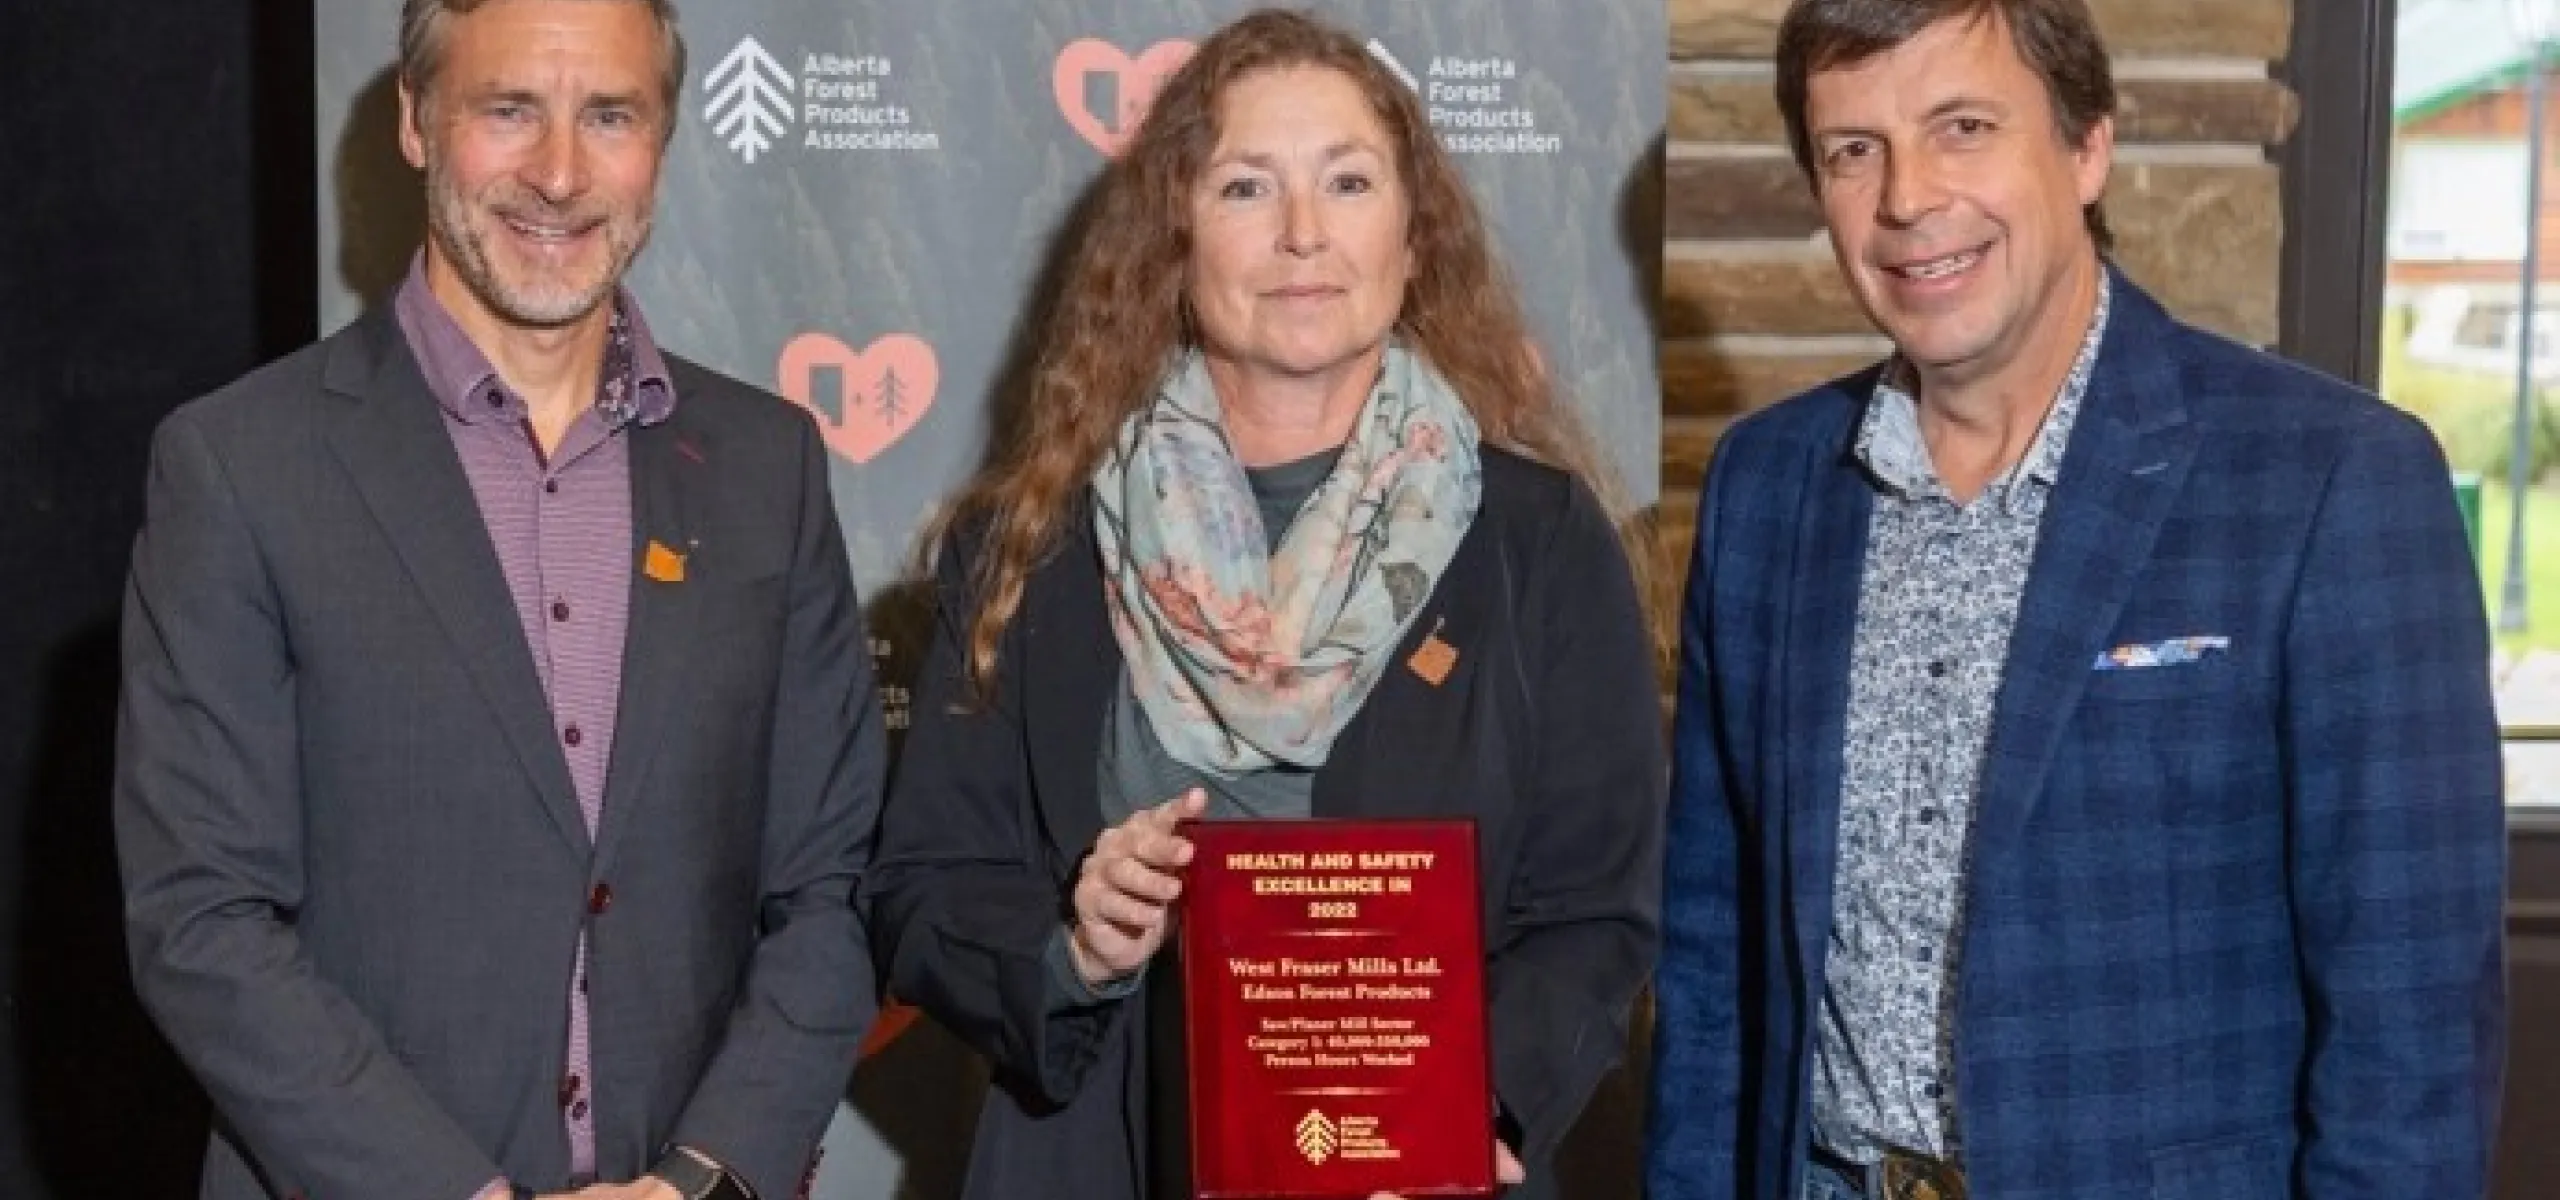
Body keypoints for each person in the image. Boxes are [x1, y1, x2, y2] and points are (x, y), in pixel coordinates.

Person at [1645, 1, 2508, 1197]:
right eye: (1854, 149)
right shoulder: (1766, 488)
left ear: (2086, 142)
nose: (1906, 200)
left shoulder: (2327, 481)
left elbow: (2408, 1025)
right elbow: (1713, 969)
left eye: (1961, 126)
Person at [861, 10, 1663, 1200]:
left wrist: (1473, 1107)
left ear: (1410, 234)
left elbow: (1600, 906)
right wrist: (1074, 947)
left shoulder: (1534, 541)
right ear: (1176, 239)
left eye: (1347, 182)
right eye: (1246, 187)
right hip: (1098, 1161)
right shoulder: (1030, 546)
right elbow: (920, 888)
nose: (1303, 235)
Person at [113, 1, 883, 1197]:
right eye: (511, 109)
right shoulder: (238, 468)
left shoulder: (768, 468)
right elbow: (204, 922)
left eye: (610, 115)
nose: (562, 174)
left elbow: (829, 892)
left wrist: (699, 1180)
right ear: (418, 121)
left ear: (664, 140)